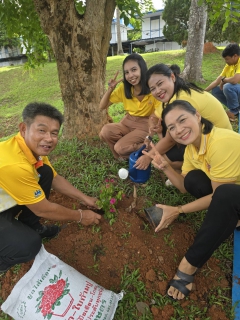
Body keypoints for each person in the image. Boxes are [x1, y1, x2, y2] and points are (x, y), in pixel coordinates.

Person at [144, 100, 240, 300]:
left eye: (182, 120)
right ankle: (233, 219)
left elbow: (219, 196)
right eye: (172, 127)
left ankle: (189, 264)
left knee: (224, 196)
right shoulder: (192, 149)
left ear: (197, 115)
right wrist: (166, 167)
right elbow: (184, 185)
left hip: (231, 195)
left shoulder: (221, 142)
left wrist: (178, 210)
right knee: (195, 179)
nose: (179, 130)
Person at [0, 102, 101, 275]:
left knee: (44, 172)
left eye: (54, 133)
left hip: (6, 199)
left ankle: (30, 225)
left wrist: (85, 199)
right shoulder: (15, 164)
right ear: (24, 128)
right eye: (42, 130)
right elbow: (43, 209)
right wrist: (81, 216)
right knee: (29, 245)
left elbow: (54, 178)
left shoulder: (30, 149)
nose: (49, 138)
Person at [135, 63, 232, 173]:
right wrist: (151, 130)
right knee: (166, 123)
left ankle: (197, 171)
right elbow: (154, 116)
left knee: (163, 159)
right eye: (153, 88)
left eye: (160, 83)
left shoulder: (181, 99)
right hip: (205, 136)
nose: (157, 91)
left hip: (220, 145)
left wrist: (148, 156)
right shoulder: (175, 93)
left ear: (172, 77)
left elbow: (170, 140)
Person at [99, 53, 161, 160]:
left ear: (142, 68)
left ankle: (148, 148)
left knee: (120, 147)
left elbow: (156, 116)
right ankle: (120, 157)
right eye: (126, 72)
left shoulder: (152, 87)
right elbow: (102, 106)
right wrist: (110, 89)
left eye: (134, 70)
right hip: (127, 121)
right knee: (105, 131)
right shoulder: (124, 87)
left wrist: (150, 135)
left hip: (145, 123)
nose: (130, 75)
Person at [205, 43, 240, 122]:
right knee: (215, 90)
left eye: (227, 59)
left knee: (228, 86)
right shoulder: (229, 65)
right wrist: (203, 91)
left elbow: (235, 80)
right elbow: (217, 81)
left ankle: (234, 110)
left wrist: (224, 80)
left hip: (237, 91)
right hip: (237, 94)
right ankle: (236, 110)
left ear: (235, 56)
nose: (226, 61)